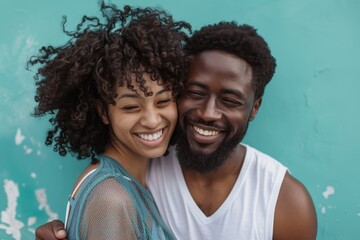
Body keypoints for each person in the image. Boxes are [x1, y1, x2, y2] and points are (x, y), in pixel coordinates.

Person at [35, 21, 318, 239]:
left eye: (162, 101)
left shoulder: (285, 202)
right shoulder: (121, 187)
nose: (152, 120)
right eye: (195, 93)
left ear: (254, 108)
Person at [29, 2, 191, 239]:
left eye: (163, 101)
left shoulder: (131, 182)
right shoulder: (111, 198)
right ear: (104, 112)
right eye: (131, 106)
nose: (153, 120)